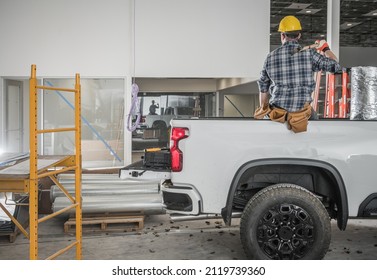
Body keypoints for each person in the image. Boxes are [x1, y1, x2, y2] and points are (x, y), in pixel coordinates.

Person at [255, 15, 342, 132]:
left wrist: (263, 109)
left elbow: (263, 87)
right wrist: (325, 48)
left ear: (282, 35)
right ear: (299, 35)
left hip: (278, 113)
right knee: (318, 130)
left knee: (266, 124)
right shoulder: (310, 54)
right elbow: (335, 65)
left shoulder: (270, 57)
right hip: (302, 113)